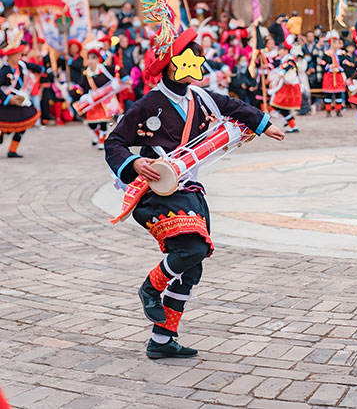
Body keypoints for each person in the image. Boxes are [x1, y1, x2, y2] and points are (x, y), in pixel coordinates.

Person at [105, 22, 285, 361]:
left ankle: (162, 340)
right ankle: (150, 287)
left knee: (193, 266)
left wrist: (264, 124)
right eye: (190, 59)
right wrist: (133, 163)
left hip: (189, 189)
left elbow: (235, 107)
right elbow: (113, 142)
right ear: (172, 65)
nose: (197, 65)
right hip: (156, 191)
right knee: (191, 248)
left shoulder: (202, 98)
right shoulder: (147, 105)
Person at [76, 49, 128, 150]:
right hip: (92, 101)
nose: (90, 61)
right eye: (89, 59)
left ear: (97, 60)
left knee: (103, 120)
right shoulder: (86, 73)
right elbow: (80, 87)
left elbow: (118, 68)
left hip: (105, 100)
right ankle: (98, 134)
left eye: (93, 58)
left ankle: (102, 139)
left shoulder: (105, 69)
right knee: (91, 123)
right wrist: (73, 95)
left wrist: (125, 78)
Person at [0, 44, 41, 157]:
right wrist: (8, 99)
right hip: (6, 103)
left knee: (22, 125)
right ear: (10, 56)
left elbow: (38, 68)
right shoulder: (4, 70)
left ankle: (12, 150)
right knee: (5, 126)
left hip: (19, 102)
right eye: (17, 54)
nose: (19, 56)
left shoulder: (21, 66)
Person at [269, 42, 302, 132]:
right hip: (286, 85)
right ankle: (290, 122)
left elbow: (291, 64)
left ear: (285, 50)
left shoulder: (289, 58)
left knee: (278, 105)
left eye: (280, 49)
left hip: (290, 86)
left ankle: (291, 123)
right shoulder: (282, 59)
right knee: (278, 105)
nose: (278, 51)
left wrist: (282, 72)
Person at [321, 32, 347, 117]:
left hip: (338, 74)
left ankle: (338, 110)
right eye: (334, 42)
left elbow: (344, 63)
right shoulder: (326, 54)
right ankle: (328, 110)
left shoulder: (341, 54)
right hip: (329, 75)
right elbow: (322, 63)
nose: (336, 45)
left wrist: (340, 67)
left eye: (337, 43)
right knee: (328, 94)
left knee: (338, 93)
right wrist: (328, 66)